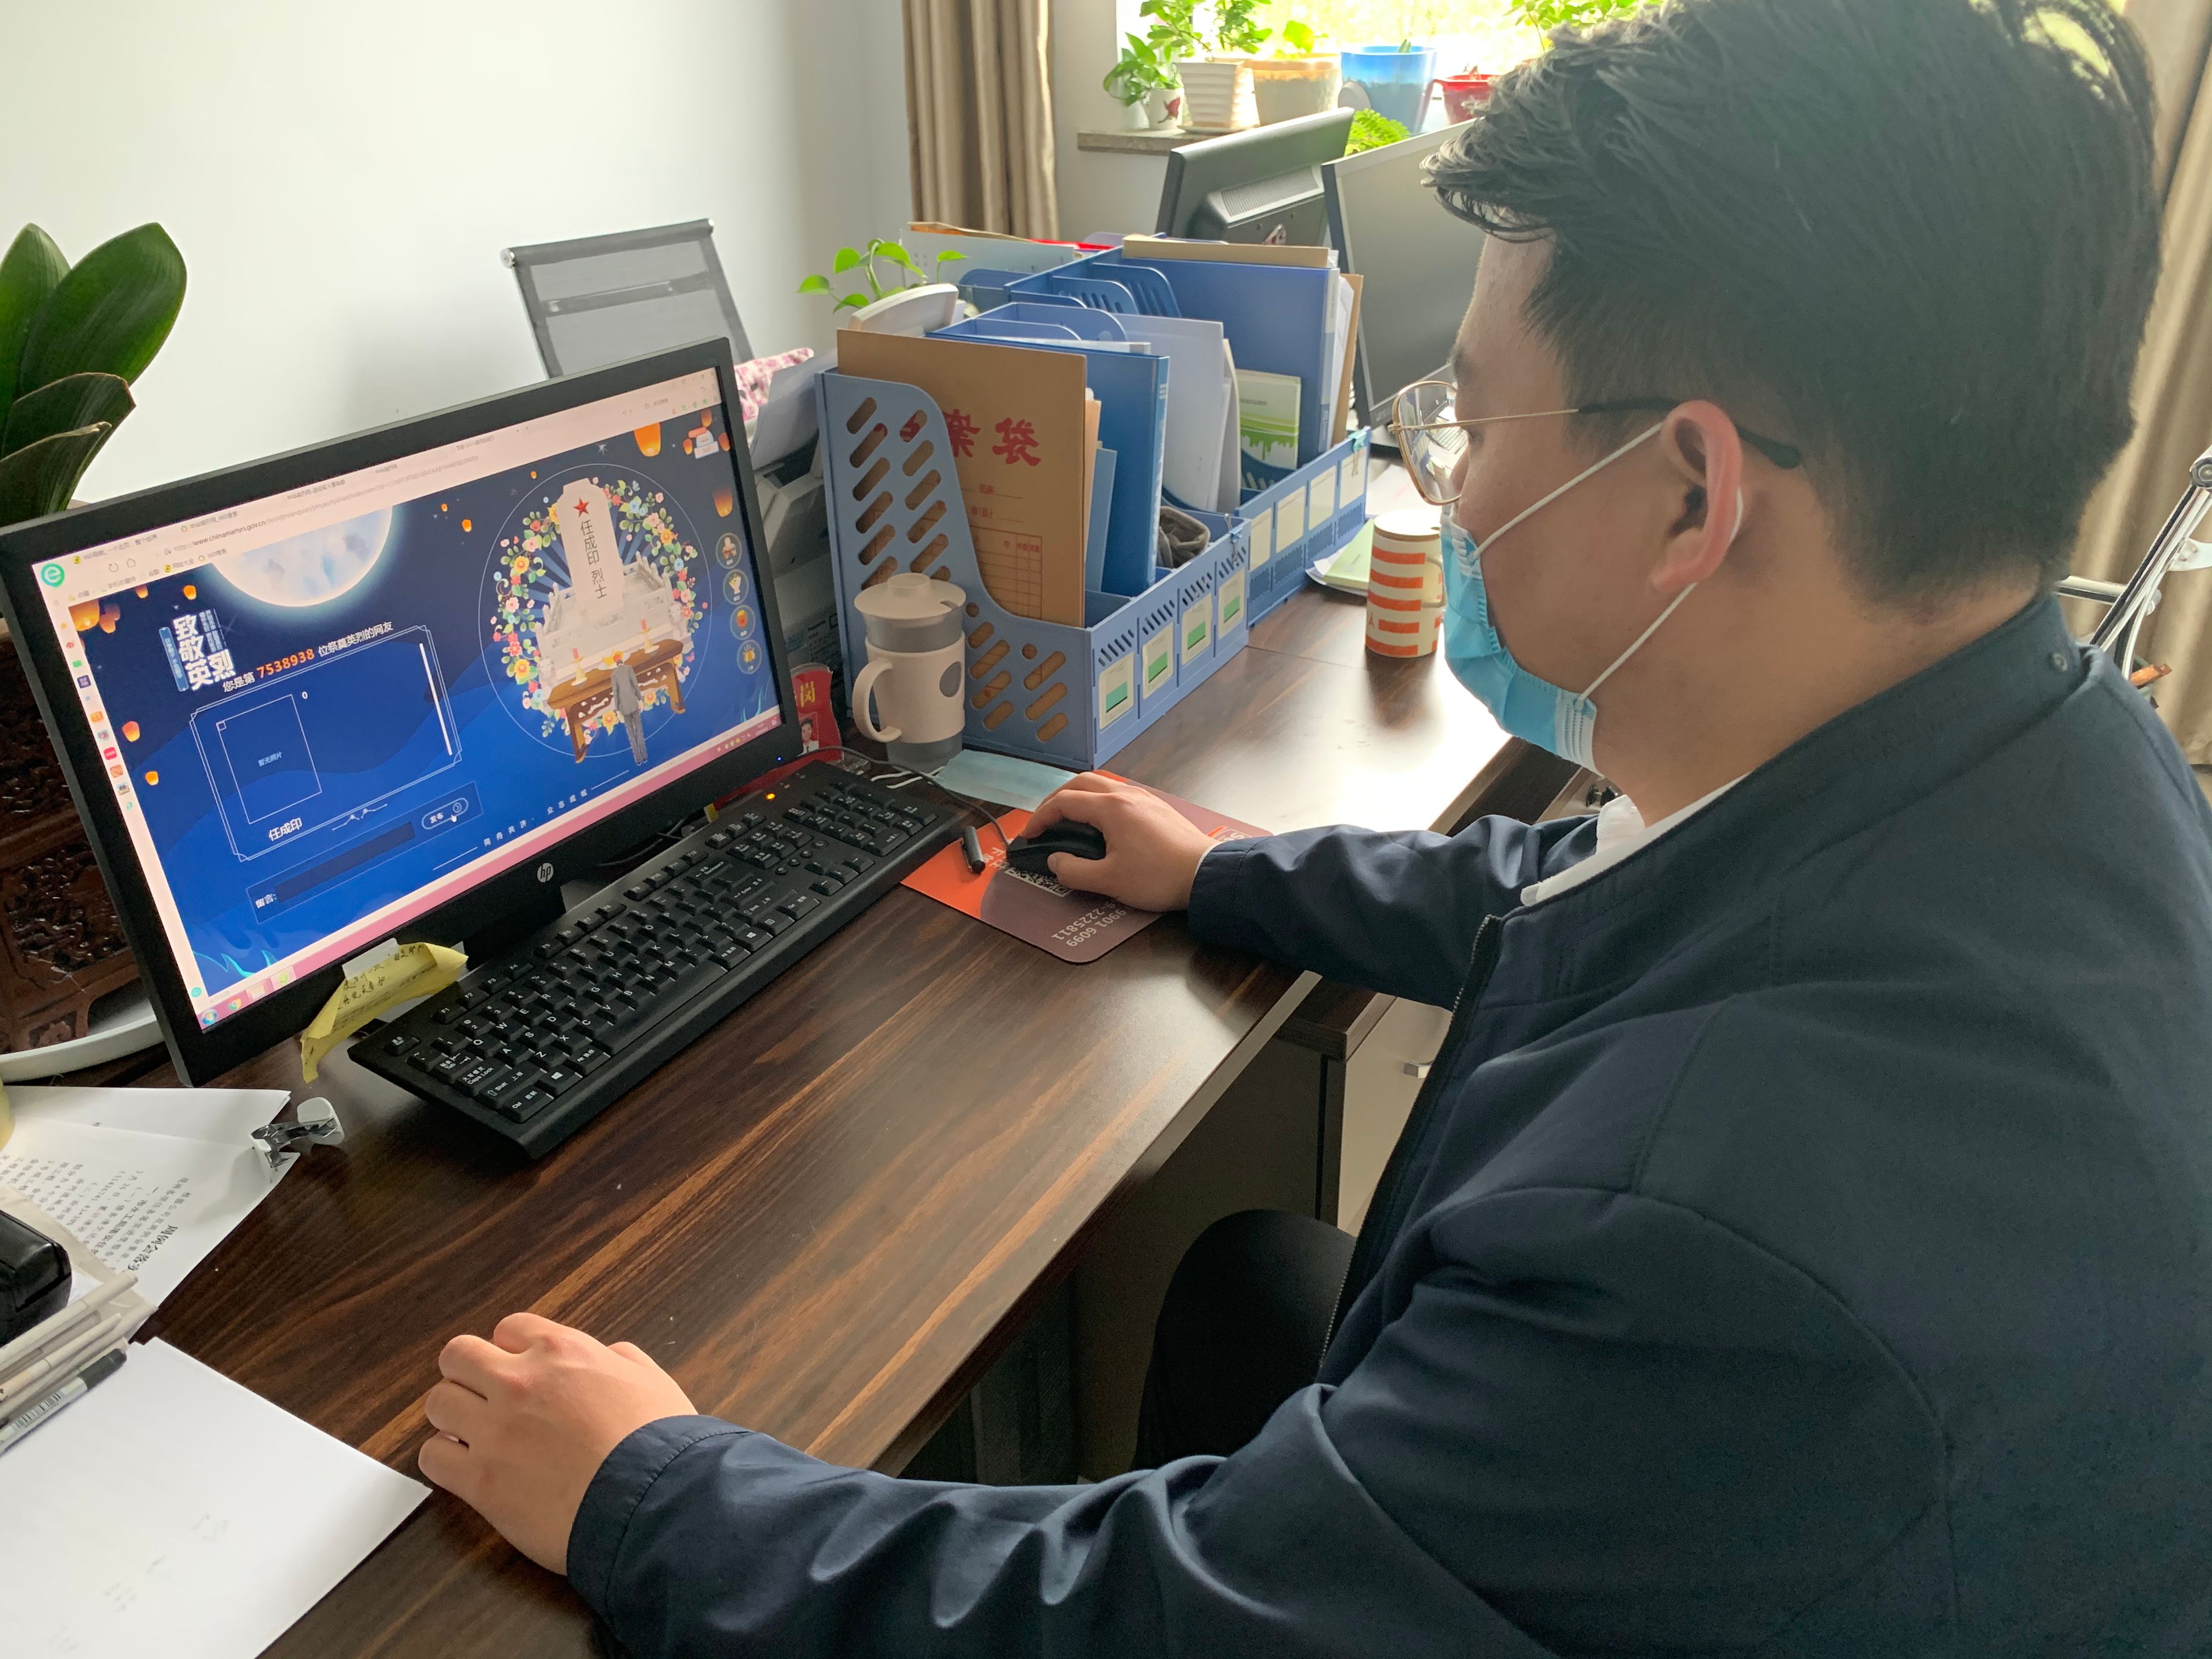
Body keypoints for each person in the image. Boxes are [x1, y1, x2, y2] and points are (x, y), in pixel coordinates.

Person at [413, 0, 2212, 1651]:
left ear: (1691, 493)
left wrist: (648, 1491)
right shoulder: (2051, 752)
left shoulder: (1711, 1249)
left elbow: (1165, 1619)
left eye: (1470, 420)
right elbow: (1602, 894)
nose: (1454, 480)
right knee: (1249, 1289)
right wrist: (1231, 869)